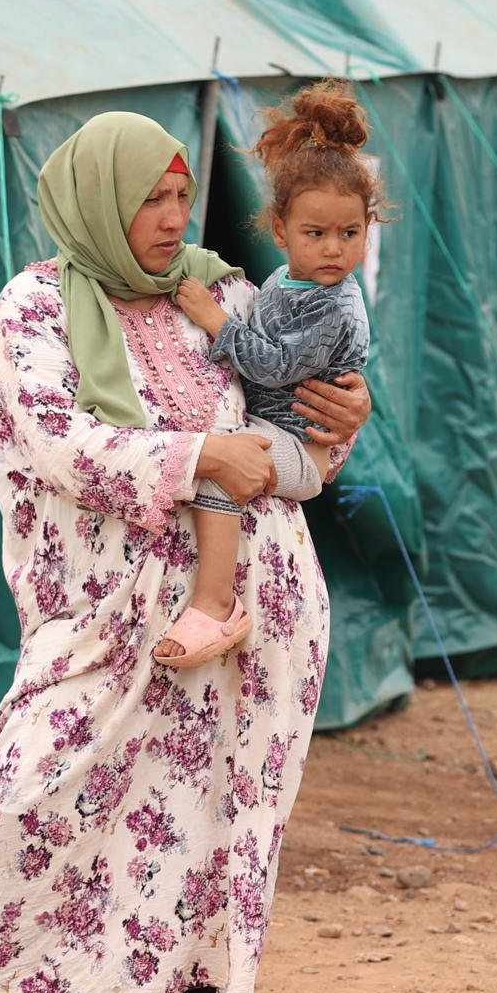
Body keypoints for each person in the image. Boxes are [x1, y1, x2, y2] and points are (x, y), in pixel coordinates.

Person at [0, 110, 371, 993]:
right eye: (152, 198)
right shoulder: (37, 305)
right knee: (33, 785)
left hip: (253, 613)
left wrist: (345, 413)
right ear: (99, 199)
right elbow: (58, 441)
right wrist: (194, 459)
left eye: (182, 195)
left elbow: (297, 419)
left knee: (229, 822)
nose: (174, 216)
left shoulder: (227, 292)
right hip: (104, 611)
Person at [160, 81, 377, 669]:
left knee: (221, 471)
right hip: (275, 425)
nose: (334, 249)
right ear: (280, 231)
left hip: (302, 452)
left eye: (350, 234)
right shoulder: (287, 281)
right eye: (316, 233)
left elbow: (270, 364)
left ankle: (215, 602)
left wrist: (213, 319)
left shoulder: (335, 306)